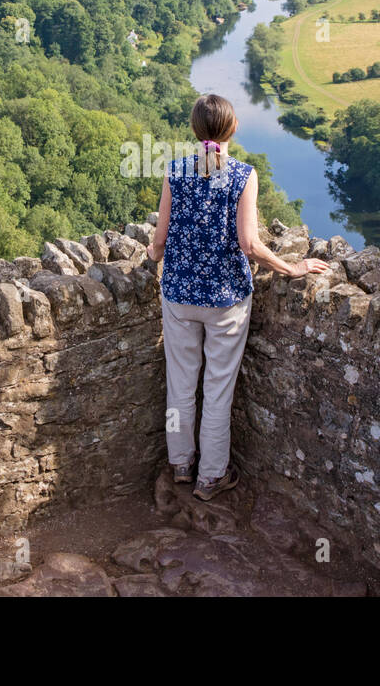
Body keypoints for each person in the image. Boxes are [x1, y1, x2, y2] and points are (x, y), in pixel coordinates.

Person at [146, 94, 329, 501]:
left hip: (179, 295)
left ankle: (180, 465)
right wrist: (292, 268)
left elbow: (159, 242)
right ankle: (210, 477)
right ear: (232, 129)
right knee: (217, 390)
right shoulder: (243, 175)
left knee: (180, 385)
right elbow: (249, 244)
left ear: (195, 130)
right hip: (227, 300)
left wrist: (150, 255)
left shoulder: (175, 172)